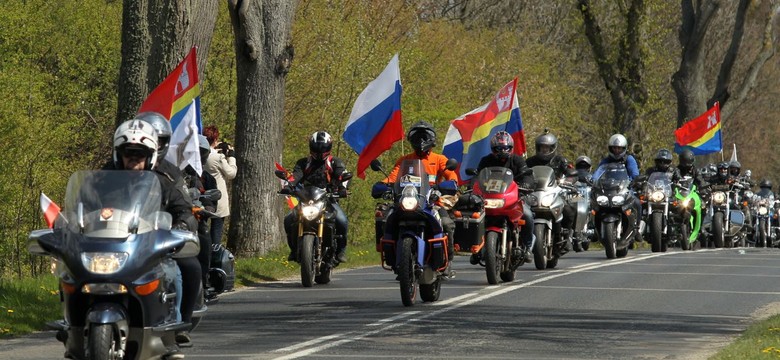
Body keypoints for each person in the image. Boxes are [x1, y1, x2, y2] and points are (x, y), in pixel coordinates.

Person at [103, 119, 199, 349]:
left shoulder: (164, 179)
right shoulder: (105, 177)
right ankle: (72, 323)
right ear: (119, 154)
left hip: (151, 244)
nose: (133, 158)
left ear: (151, 154)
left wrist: (182, 225)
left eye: (140, 153)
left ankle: (175, 327)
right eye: (128, 152)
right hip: (112, 243)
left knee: (178, 270)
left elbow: (182, 208)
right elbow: (86, 202)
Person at [381, 120, 457, 276]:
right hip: (407, 201)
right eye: (417, 137)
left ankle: (447, 262)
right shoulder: (404, 160)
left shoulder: (439, 159)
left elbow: (451, 175)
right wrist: (383, 185)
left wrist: (450, 184)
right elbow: (392, 177)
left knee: (447, 224)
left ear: (431, 139)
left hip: (431, 203)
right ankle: (394, 258)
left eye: (424, 137)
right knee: (387, 219)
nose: (421, 141)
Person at [284, 131, 350, 263]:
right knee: (288, 219)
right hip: (306, 200)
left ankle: (341, 251)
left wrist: (342, 189)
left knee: (342, 220)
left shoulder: (335, 162)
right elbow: (295, 176)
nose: (320, 152)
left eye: (323, 148)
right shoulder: (303, 163)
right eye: (316, 148)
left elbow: (343, 175)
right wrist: (288, 186)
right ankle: (293, 249)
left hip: (329, 199)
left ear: (329, 147)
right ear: (311, 147)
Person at [475, 131, 535, 263]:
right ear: (493, 149)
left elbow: (527, 174)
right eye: (499, 148)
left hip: (512, 199)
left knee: (528, 215)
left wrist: (526, 184)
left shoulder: (517, 160)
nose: (503, 151)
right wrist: (472, 186)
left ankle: (527, 247)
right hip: (489, 199)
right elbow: (477, 176)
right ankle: (476, 247)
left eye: (506, 148)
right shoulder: (486, 160)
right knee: (474, 216)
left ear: (511, 147)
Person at [525, 130, 575, 252]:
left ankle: (567, 236)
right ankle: (524, 241)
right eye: (542, 147)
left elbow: (571, 173)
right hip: (535, 192)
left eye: (547, 147)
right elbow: (522, 173)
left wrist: (568, 180)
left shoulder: (560, 160)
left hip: (554, 191)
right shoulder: (530, 162)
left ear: (553, 148)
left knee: (569, 210)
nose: (544, 150)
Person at [184, 135, 220, 299]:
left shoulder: (207, 178)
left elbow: (213, 200)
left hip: (195, 219)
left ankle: (204, 283)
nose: (195, 157)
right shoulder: (173, 174)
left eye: (199, 153)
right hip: (173, 219)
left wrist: (206, 208)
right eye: (192, 153)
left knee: (204, 242)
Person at [592, 134, 643, 241]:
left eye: (619, 148)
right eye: (614, 148)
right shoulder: (606, 160)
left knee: (637, 203)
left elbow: (634, 173)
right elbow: (598, 172)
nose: (616, 151)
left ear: (624, 148)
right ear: (610, 148)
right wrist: (593, 180)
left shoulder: (629, 159)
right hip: (608, 189)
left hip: (625, 189)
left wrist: (635, 181)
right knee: (594, 204)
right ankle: (594, 229)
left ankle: (637, 228)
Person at [203, 125, 237, 247]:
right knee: (216, 233)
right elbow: (231, 173)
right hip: (218, 198)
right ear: (215, 139)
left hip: (203, 197)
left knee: (201, 231)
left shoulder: (201, 155)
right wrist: (231, 156)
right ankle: (215, 258)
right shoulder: (218, 157)